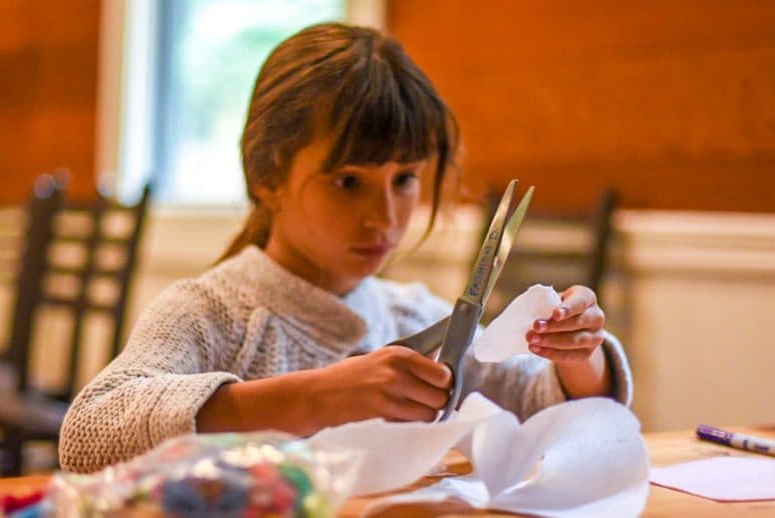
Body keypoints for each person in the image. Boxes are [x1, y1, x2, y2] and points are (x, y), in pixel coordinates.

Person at [59, 22, 631, 473]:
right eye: (348, 181)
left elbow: (541, 406)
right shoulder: (211, 313)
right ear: (267, 178)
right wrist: (312, 399)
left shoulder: (413, 315)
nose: (384, 217)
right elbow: (88, 434)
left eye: (405, 180)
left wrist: (579, 357)